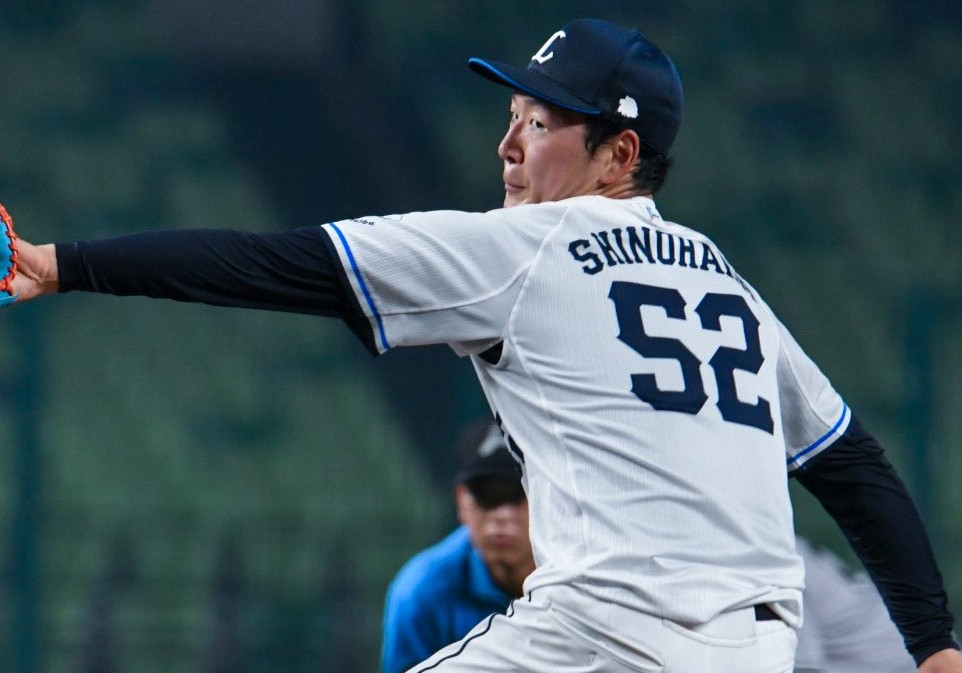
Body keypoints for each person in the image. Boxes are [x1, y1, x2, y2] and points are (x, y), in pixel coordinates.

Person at [6, 17, 961, 673]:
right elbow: (851, 463)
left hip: (609, 631)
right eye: (511, 118)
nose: (508, 145)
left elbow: (274, 264)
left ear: (620, 155)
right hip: (757, 648)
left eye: (538, 122)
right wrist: (935, 644)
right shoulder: (724, 281)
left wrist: (64, 263)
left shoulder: (525, 249)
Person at [380, 417, 535, 673]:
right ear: (461, 501)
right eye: (486, 495)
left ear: (546, 497)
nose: (502, 515)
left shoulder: (585, 575)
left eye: (518, 492)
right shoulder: (420, 592)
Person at [793, 538, 919, 673]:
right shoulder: (791, 547)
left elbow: (806, 667)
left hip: (881, 658)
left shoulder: (783, 563)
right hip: (899, 640)